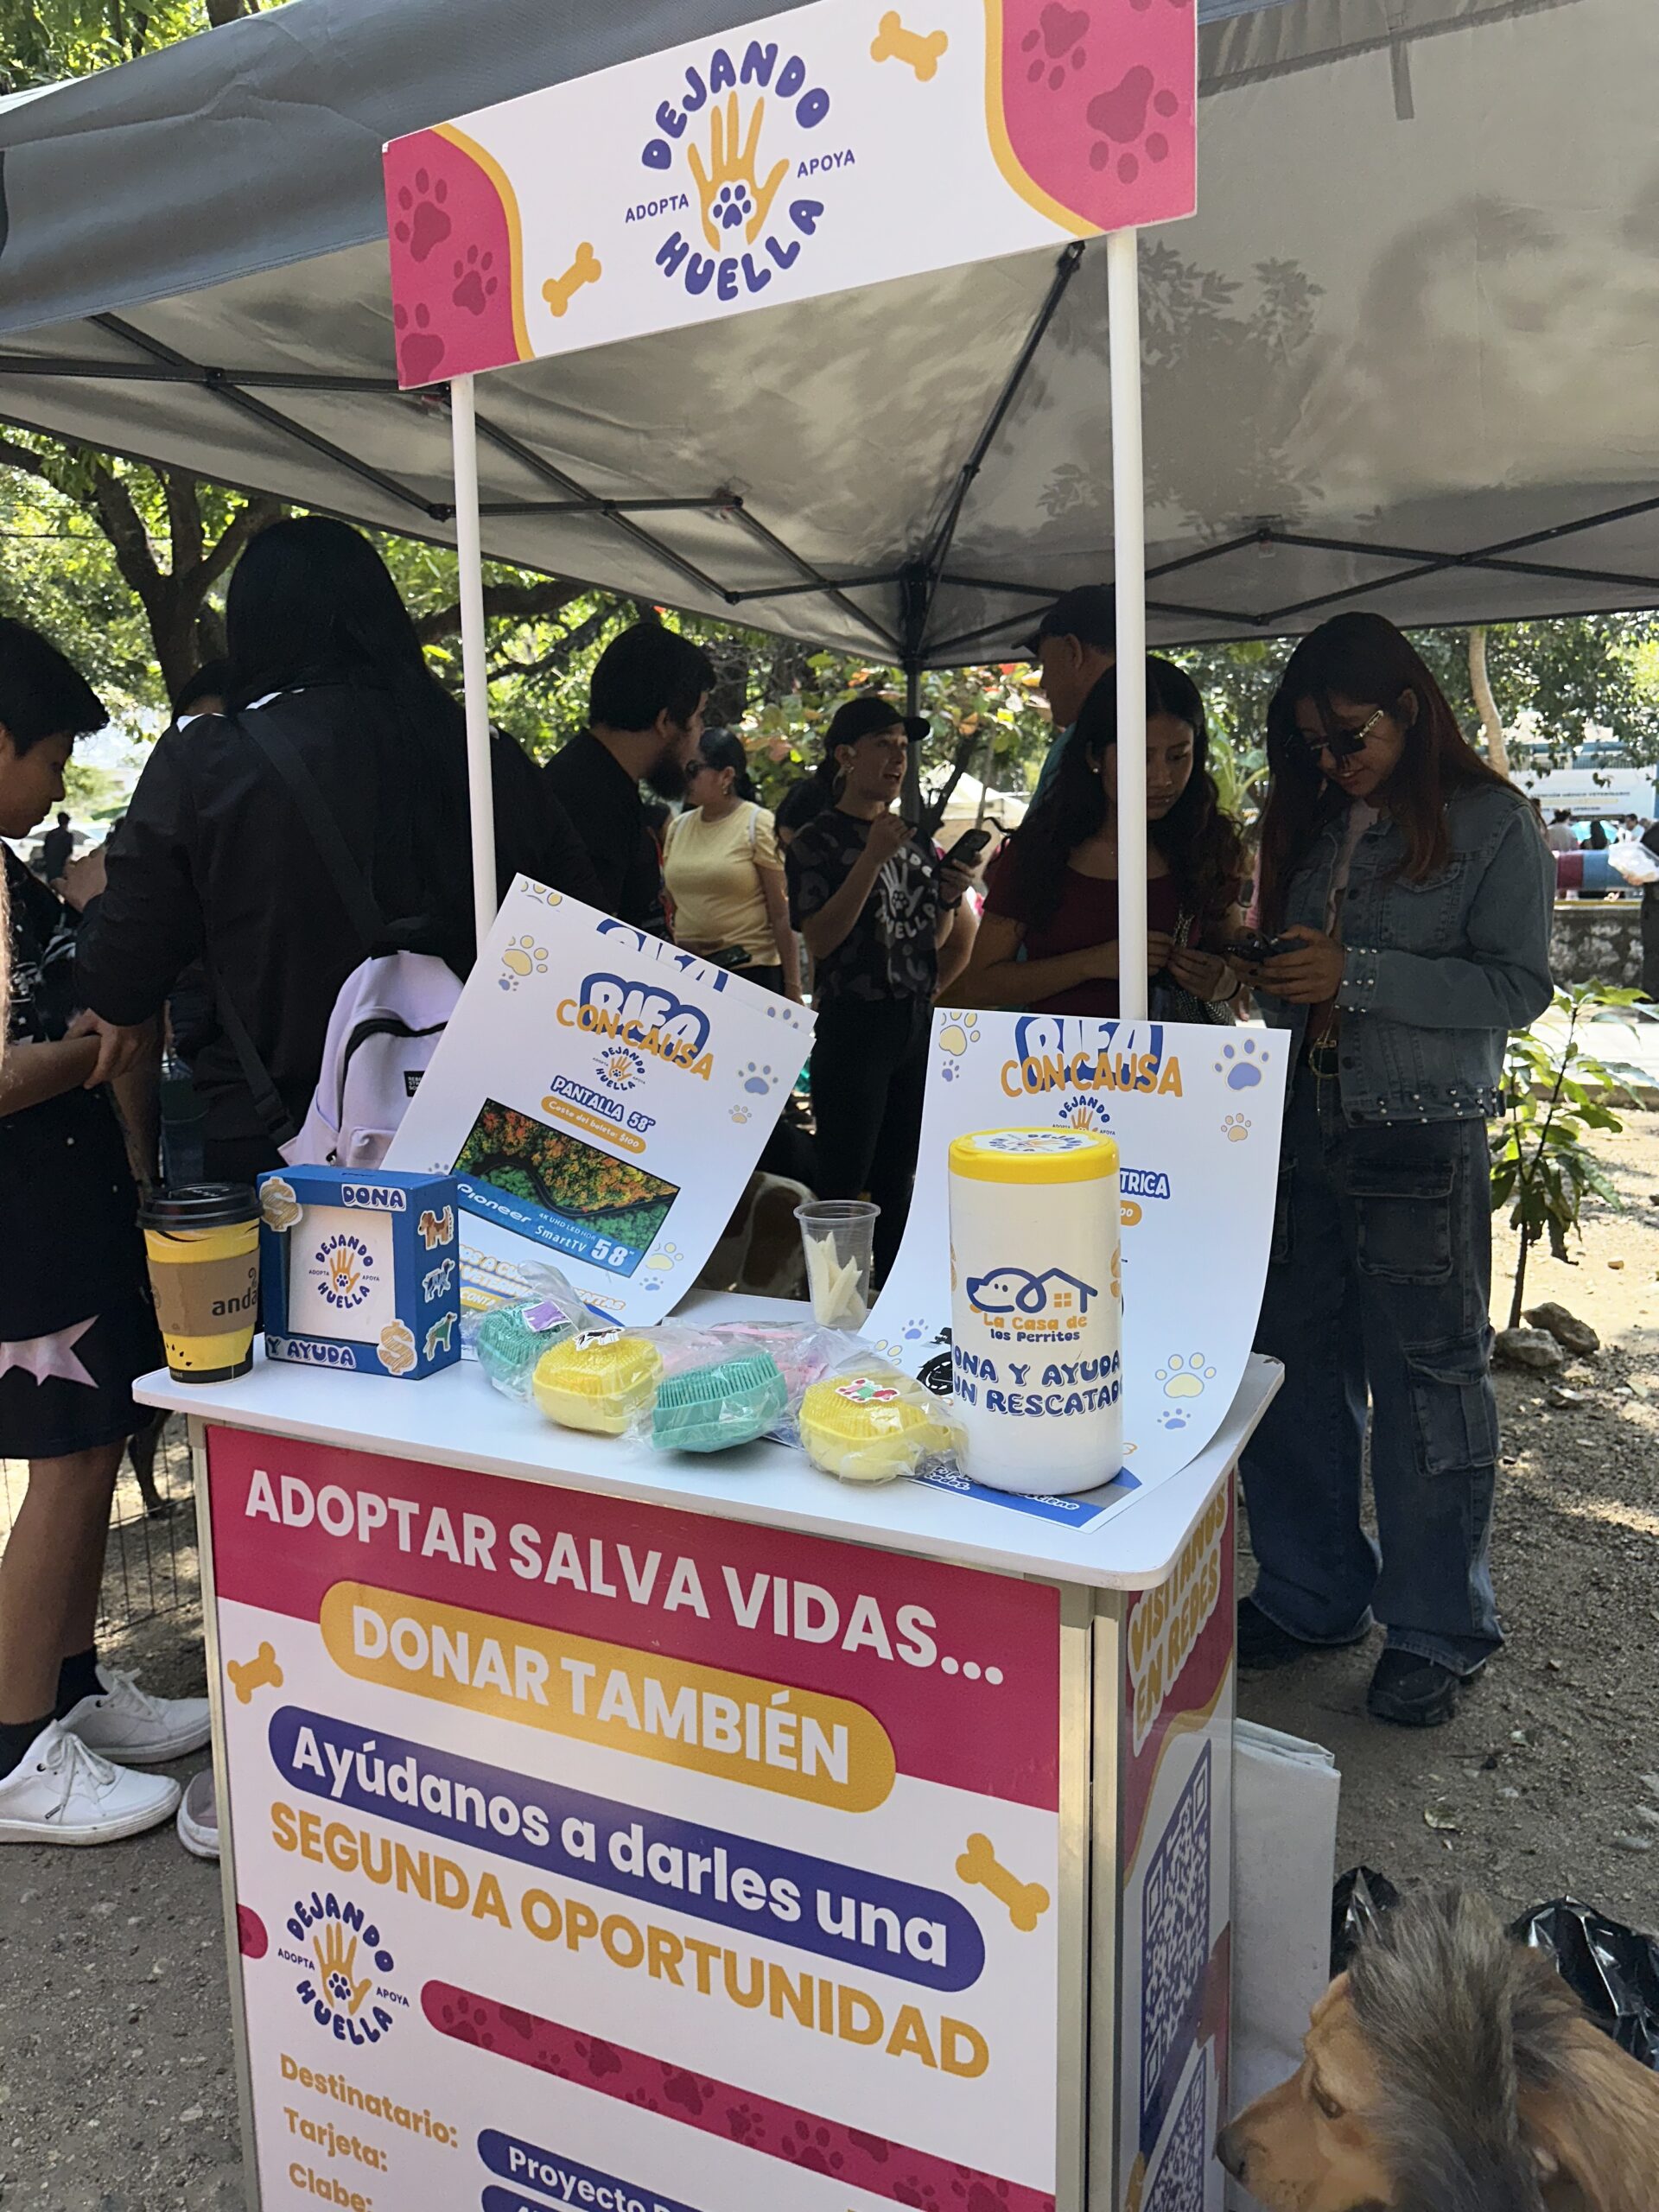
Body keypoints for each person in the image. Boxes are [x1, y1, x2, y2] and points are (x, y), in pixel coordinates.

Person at [1233, 611, 1553, 1730]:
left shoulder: (1494, 824)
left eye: (1349, 736)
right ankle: (1313, 1591)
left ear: (1412, 709)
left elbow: (1518, 987)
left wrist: (1354, 974)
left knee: (1428, 1380)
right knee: (1291, 1367)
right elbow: (1308, 980)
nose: (1332, 761)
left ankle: (1435, 1628)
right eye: (1313, 745)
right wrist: (1262, 971)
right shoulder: (1321, 823)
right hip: (1301, 1125)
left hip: (1420, 1132)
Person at [75, 518, 604, 1183]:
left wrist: (92, 901)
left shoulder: (210, 760)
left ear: (251, 632)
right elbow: (585, 933)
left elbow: (122, 977)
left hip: (276, 1151)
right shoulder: (486, 753)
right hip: (484, 1146)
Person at [0, 619, 210, 1847]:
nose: (59, 783)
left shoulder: (15, 871)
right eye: (50, 757)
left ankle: (69, 1686)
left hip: (67, 1199)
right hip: (23, 1216)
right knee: (67, 1456)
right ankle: (13, 1748)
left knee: (90, 1440)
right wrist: (97, 1049)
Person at [785, 696, 972, 1280]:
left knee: (899, 1174)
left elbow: (926, 938)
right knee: (843, 1175)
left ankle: (891, 1295)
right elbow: (821, 940)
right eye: (883, 745)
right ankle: (830, 1298)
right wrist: (870, 859)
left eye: (903, 747)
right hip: (853, 1020)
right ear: (845, 755)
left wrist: (947, 898)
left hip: (912, 1018)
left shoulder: (914, 841)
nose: (897, 759)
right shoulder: (816, 841)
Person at [960, 658, 1245, 1017]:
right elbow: (981, 984)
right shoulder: (1040, 851)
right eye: (1141, 758)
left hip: (1175, 1052)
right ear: (1095, 756)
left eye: (1178, 757)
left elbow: (1236, 958)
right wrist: (1092, 963)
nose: (1163, 778)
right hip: (1056, 1052)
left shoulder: (1207, 844)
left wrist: (1226, 982)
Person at [544, 623, 715, 935]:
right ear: (665, 721)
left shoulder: (602, 781)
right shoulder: (589, 802)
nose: (701, 732)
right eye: (698, 716)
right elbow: (584, 939)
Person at [664, 730, 802, 998]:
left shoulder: (757, 823)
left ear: (726, 776)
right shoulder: (678, 827)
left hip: (750, 973)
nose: (684, 778)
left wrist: (792, 987)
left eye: (693, 769)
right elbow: (671, 904)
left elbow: (781, 913)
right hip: (688, 972)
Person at [1025, 584, 1116, 802]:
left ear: (1073, 651)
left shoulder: (1078, 742)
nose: (1043, 682)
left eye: (1046, 663)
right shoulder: (1161, 717)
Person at [38, 809, 76, 886]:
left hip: (50, 863)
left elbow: (45, 849)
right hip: (61, 865)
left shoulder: (51, 834)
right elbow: (69, 851)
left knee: (50, 883)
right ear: (68, 822)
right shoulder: (68, 836)